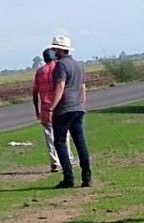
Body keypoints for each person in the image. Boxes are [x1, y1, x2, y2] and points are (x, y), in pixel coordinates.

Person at [47, 35, 92, 188]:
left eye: (54, 49)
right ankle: (87, 177)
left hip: (64, 109)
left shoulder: (60, 66)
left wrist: (52, 107)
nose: (53, 51)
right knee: (80, 143)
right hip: (78, 107)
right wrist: (81, 104)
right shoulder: (78, 65)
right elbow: (83, 87)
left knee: (60, 142)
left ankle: (68, 177)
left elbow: (60, 87)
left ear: (59, 50)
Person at [33, 48, 73, 173]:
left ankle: (55, 162)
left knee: (50, 136)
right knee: (64, 134)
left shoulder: (40, 72)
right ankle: (68, 159)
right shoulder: (59, 68)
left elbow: (35, 92)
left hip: (45, 108)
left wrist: (37, 110)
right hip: (59, 106)